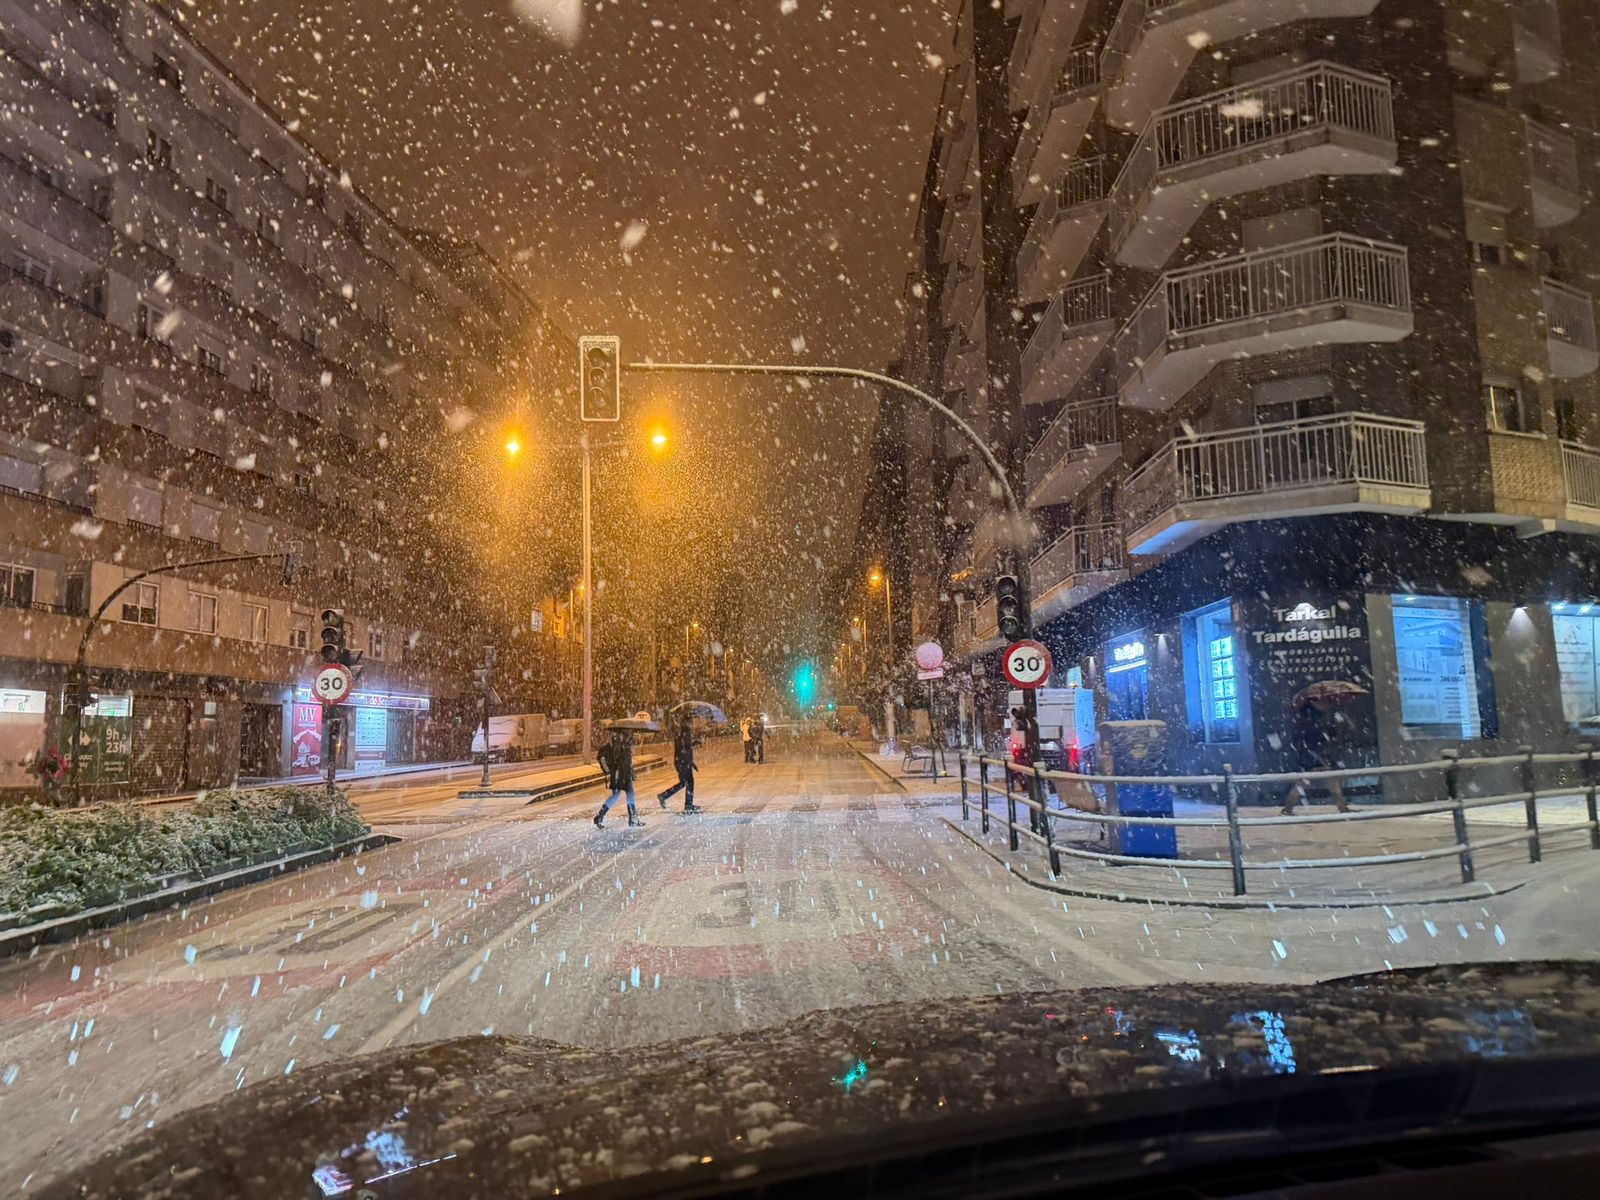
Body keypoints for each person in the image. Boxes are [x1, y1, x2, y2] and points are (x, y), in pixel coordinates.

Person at [1279, 697, 1350, 815]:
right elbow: (1318, 736)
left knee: (1309, 781)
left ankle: (1288, 807)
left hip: (1311, 754)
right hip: (1314, 754)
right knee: (1325, 780)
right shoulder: (1314, 718)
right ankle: (1342, 807)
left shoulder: (1308, 716)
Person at [593, 728, 644, 828]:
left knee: (620, 796)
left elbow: (627, 762)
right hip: (620, 775)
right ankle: (632, 819)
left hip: (622, 774)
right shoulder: (618, 746)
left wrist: (630, 770)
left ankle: (600, 816)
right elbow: (604, 757)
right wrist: (609, 770)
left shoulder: (622, 745)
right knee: (626, 795)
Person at [657, 717, 702, 813]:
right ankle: (666, 796)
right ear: (687, 723)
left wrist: (692, 746)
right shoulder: (685, 733)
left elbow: (684, 748)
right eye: (691, 722)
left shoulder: (682, 732)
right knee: (687, 782)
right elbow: (684, 749)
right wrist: (689, 761)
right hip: (683, 763)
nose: (692, 724)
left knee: (686, 782)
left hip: (682, 762)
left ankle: (686, 803)